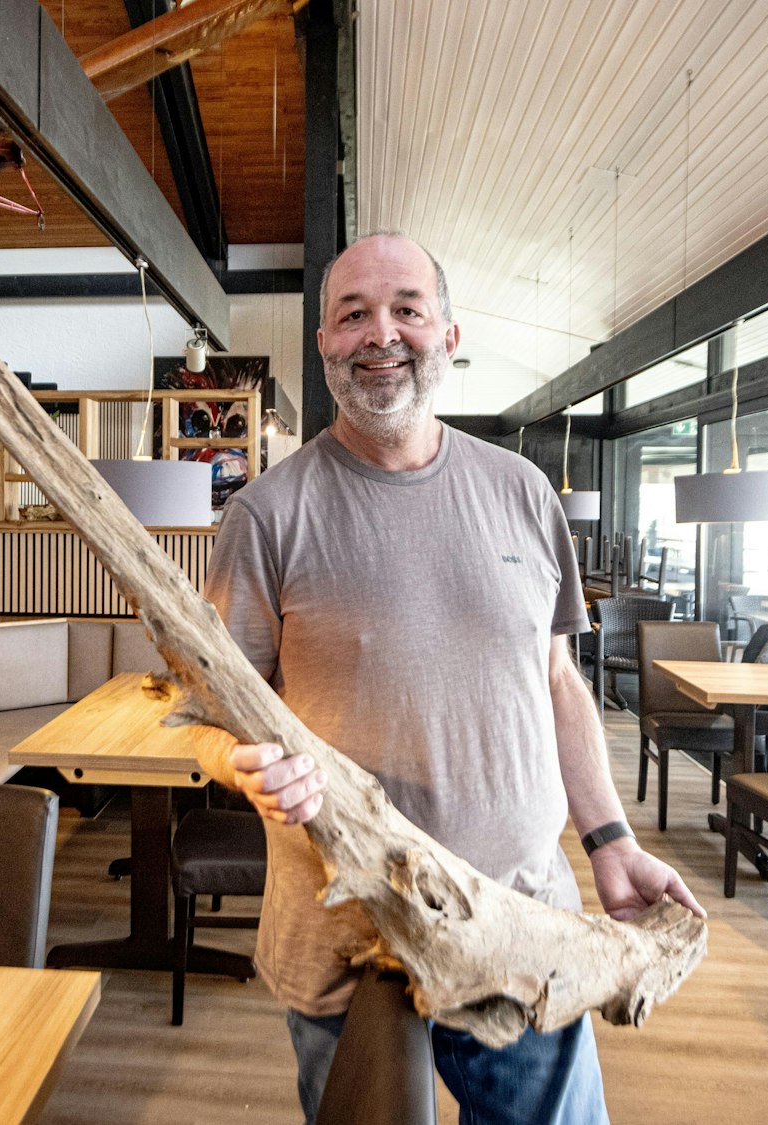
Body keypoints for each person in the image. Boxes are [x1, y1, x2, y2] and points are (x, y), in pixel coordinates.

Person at [202, 232, 705, 1125]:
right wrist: (239, 766)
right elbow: (215, 712)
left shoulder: (523, 493)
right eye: (352, 314)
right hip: (349, 935)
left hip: (521, 920)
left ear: (449, 332)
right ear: (323, 343)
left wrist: (612, 841)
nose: (379, 333)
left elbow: (556, 681)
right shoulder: (266, 514)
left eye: (406, 309)